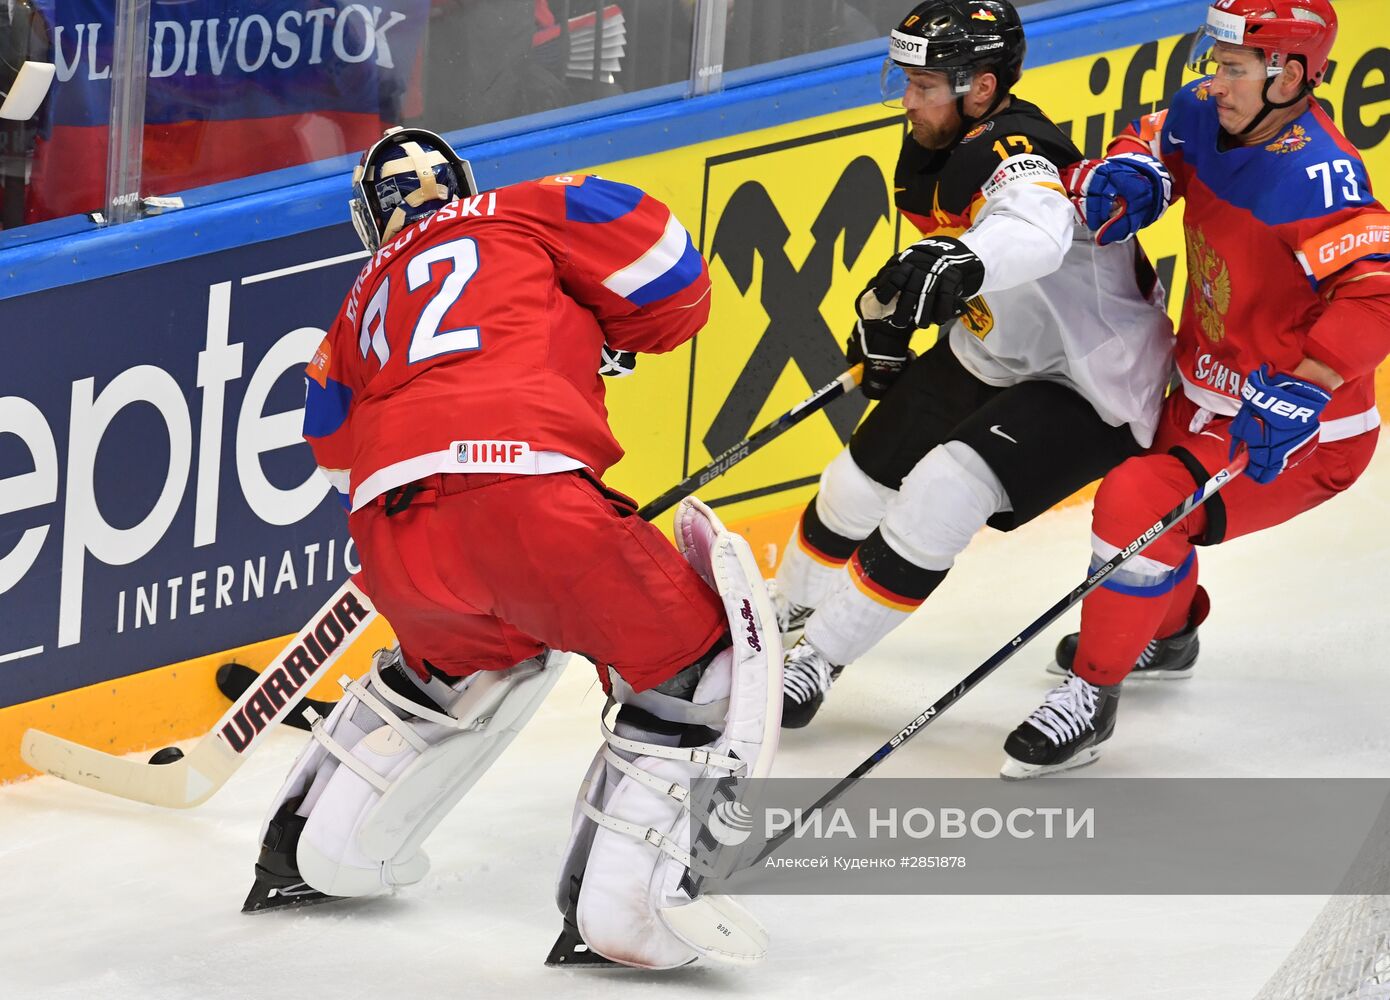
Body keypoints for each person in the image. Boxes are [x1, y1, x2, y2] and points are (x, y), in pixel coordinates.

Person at [244, 126, 782, 971]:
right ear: (460, 183)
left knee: (457, 666)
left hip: (394, 539)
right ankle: (625, 915)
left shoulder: (357, 301)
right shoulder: (525, 208)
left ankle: (313, 853)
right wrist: (606, 330)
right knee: (699, 666)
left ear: (370, 217)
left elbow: (331, 445)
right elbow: (675, 278)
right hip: (527, 502)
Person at [1002, 0, 1390, 779]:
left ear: (1290, 74)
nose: (1218, 83)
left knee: (1137, 502)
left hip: (1299, 429)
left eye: (1237, 69)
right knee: (1155, 529)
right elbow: (1151, 136)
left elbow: (1376, 290)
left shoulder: (1319, 174)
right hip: (1200, 384)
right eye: (1218, 65)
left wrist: (1309, 385)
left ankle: (1091, 695)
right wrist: (1131, 170)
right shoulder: (1202, 113)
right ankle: (1165, 632)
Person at [770, 0, 1176, 728]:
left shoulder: (1019, 150)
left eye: (924, 86)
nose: (908, 100)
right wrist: (889, 315)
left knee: (941, 492)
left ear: (980, 87)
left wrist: (964, 259)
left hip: (1090, 379)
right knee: (855, 481)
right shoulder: (935, 142)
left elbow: (1036, 233)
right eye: (908, 81)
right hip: (996, 346)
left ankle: (818, 660)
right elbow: (968, 259)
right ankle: (779, 617)